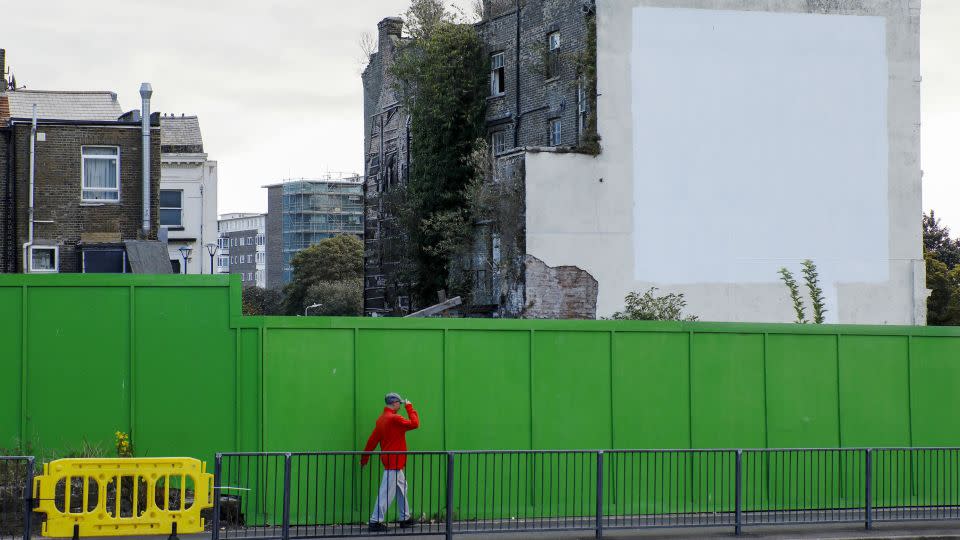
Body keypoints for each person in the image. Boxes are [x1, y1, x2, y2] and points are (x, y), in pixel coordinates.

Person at [361, 392, 420, 532]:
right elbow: (415, 423)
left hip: (392, 461)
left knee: (402, 488)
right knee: (386, 492)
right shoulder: (395, 418)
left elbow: (372, 441)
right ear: (394, 403)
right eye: (399, 402)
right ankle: (375, 521)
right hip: (394, 461)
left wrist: (365, 458)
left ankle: (405, 518)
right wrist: (410, 407)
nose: (400, 404)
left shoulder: (381, 419)